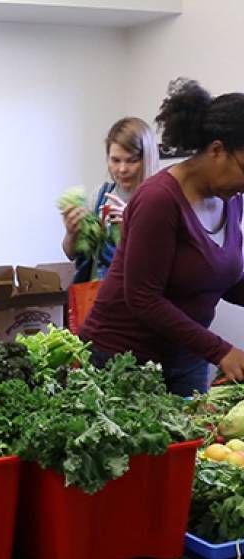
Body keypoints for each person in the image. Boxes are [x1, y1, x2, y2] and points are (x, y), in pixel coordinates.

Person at [80, 78, 244, 396]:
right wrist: (221, 350)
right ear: (217, 150)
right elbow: (143, 298)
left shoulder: (232, 198)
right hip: (123, 360)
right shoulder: (159, 200)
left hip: (187, 357)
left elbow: (221, 277)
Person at [61, 117, 160, 283]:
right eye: (115, 160)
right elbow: (71, 253)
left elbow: (159, 266)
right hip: (96, 297)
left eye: (132, 160)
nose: (122, 169)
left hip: (136, 301)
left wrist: (130, 230)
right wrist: (72, 233)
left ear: (147, 158)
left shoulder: (159, 201)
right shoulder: (100, 195)